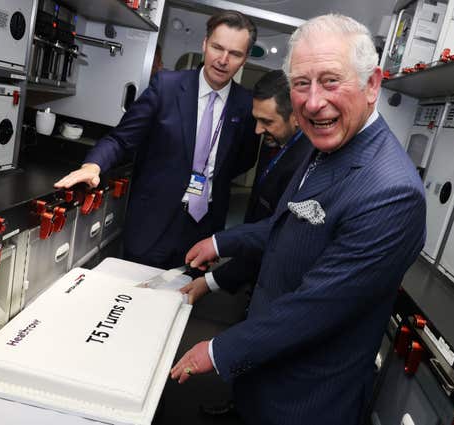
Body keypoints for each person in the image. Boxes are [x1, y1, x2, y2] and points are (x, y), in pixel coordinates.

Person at [170, 13, 426, 425]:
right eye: (302, 83)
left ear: (372, 84)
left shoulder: (391, 193)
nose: (311, 101)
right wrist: (222, 243)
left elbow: (316, 308)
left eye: (330, 81)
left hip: (306, 401)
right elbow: (285, 226)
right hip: (265, 376)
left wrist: (219, 350)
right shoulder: (322, 143)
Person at [54, 10, 259, 269]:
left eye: (235, 54)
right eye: (217, 48)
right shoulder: (166, 87)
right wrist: (92, 165)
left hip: (203, 231)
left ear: (245, 59)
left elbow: (244, 159)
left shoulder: (247, 106)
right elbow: (121, 139)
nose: (223, 60)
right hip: (152, 223)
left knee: (182, 305)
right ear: (205, 44)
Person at [181, 69, 312, 304]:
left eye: (267, 122)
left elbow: (277, 233)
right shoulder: (280, 144)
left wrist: (216, 266)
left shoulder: (307, 163)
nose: (258, 130)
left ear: (296, 116)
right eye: (257, 119)